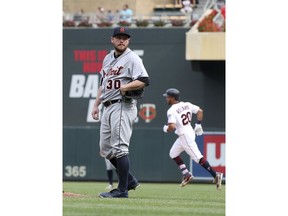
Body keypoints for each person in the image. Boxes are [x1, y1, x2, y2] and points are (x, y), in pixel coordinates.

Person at [91, 27, 150, 198]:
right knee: (105, 150)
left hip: (122, 106)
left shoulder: (132, 58)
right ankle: (130, 180)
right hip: (107, 106)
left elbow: (144, 80)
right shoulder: (108, 58)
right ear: (112, 40)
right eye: (119, 37)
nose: (122, 40)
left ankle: (122, 190)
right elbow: (103, 83)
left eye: (125, 38)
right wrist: (96, 105)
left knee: (120, 148)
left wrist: (126, 86)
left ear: (128, 41)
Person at [162, 88, 223, 190]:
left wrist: (166, 129)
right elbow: (200, 111)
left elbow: (171, 127)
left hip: (185, 136)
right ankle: (187, 174)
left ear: (172, 98)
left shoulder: (171, 110)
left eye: (167, 97)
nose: (166, 99)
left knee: (198, 158)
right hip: (188, 132)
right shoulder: (187, 104)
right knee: (173, 153)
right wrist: (198, 124)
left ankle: (216, 175)